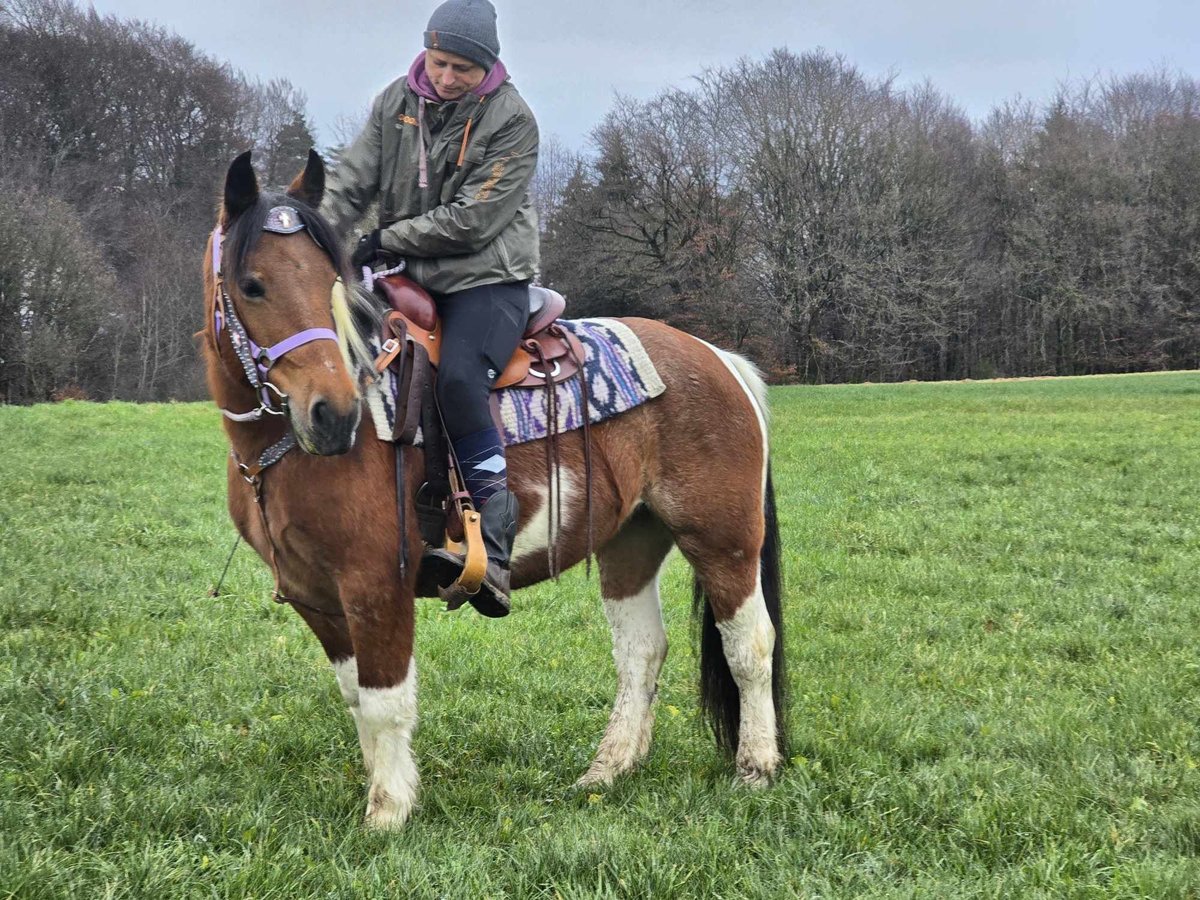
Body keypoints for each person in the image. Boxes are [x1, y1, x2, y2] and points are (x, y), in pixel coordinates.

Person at [321, 0, 539, 616]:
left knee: (463, 381)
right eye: (440, 63)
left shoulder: (513, 120)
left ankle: (492, 541)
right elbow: (350, 181)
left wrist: (386, 239)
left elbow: (475, 220)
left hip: (485, 278)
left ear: (488, 68)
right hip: (400, 273)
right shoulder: (395, 101)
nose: (446, 78)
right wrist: (314, 231)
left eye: (462, 70)